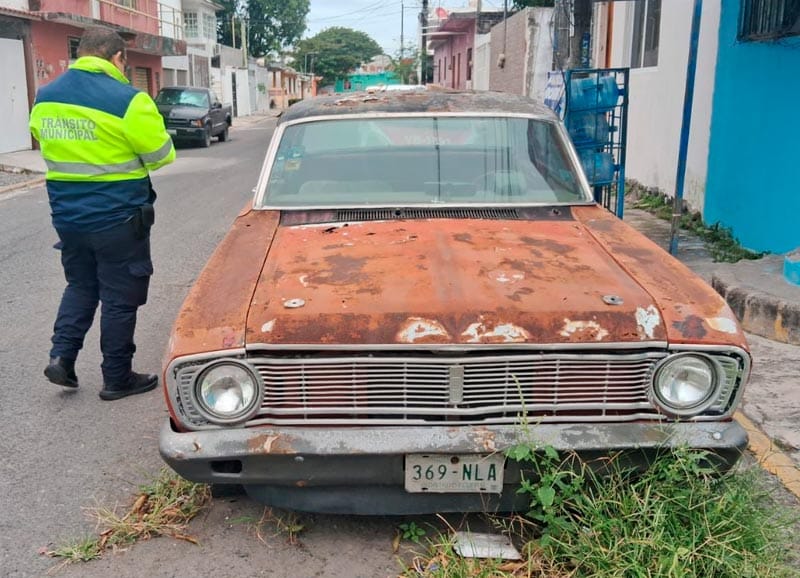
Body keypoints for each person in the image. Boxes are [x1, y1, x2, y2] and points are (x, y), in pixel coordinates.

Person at [29, 26, 175, 400]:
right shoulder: (129, 100)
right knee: (119, 296)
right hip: (118, 219)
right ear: (116, 58)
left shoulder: (45, 97)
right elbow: (161, 155)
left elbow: (42, 138)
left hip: (68, 217)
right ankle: (116, 377)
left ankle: (62, 357)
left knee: (80, 285)